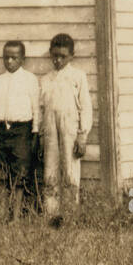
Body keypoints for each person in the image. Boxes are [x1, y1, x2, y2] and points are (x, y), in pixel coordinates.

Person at [39, 32, 92, 224]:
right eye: (55, 56)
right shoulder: (45, 79)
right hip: (50, 128)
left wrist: (82, 135)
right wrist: (40, 134)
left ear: (71, 56)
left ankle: (70, 215)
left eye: (62, 56)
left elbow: (85, 106)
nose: (58, 60)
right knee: (50, 171)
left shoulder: (78, 76)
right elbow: (41, 108)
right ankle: (52, 216)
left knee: (70, 170)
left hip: (70, 127)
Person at [0, 40, 40, 217]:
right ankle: (1, 212)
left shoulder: (30, 79)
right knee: (1, 170)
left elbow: (36, 108)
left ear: (22, 59)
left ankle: (16, 214)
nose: (9, 61)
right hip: (1, 130)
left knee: (21, 170)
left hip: (22, 130)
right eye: (6, 58)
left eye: (14, 58)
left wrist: (35, 132)